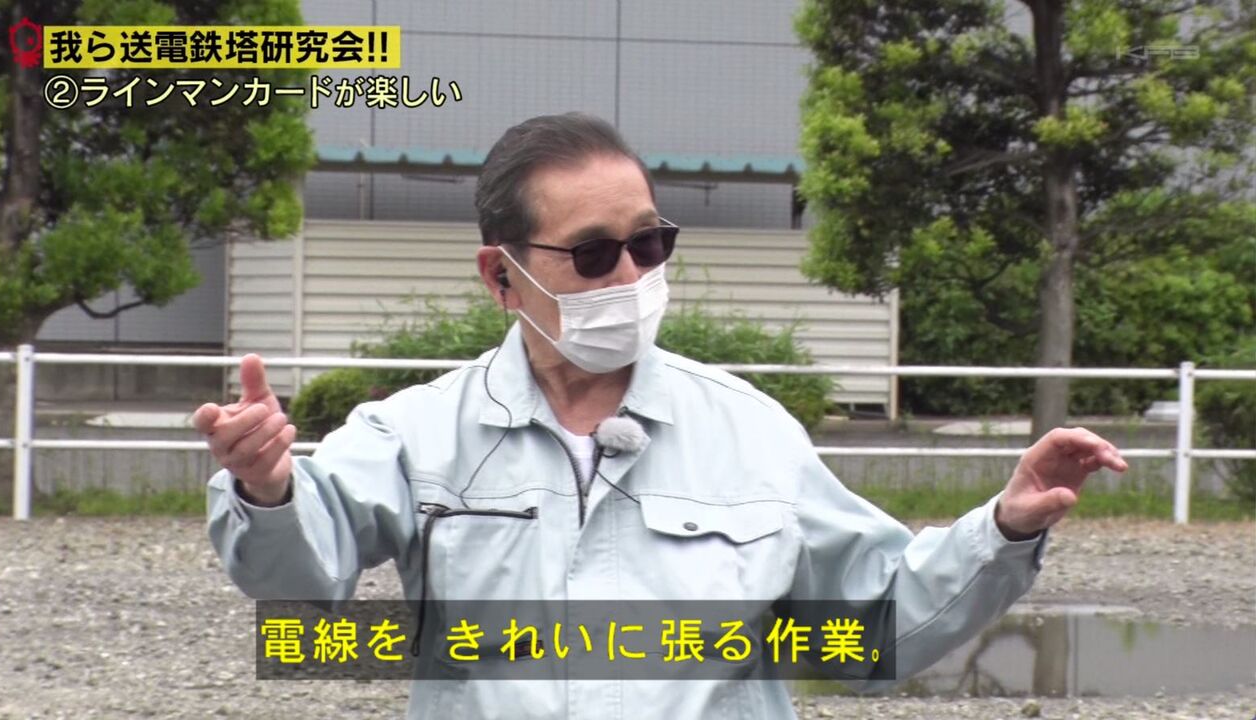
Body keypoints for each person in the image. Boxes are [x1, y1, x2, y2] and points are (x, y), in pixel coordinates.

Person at [195, 112, 1128, 718]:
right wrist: (267, 488)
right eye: (593, 255)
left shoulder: (751, 432)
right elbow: (299, 582)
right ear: (500, 275)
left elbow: (877, 624)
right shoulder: (418, 433)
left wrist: (1002, 528)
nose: (632, 276)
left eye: (649, 243)